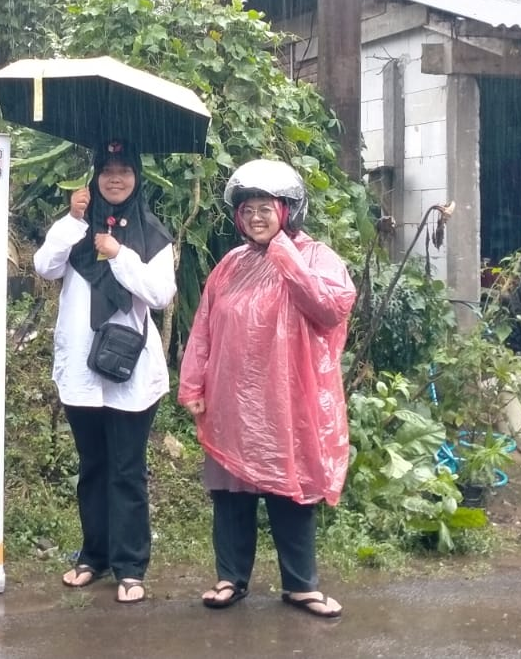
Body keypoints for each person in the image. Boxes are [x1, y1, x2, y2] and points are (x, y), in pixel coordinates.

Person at [178, 159, 356, 619]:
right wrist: (193, 383)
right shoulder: (230, 265)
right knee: (230, 492)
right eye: (248, 210)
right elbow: (204, 329)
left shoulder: (317, 257)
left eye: (265, 208)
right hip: (232, 401)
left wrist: (285, 255)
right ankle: (230, 578)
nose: (256, 217)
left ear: (287, 210)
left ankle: (301, 585)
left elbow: (330, 309)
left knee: (290, 491)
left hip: (288, 400)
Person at [33, 139, 176, 605]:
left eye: (124, 170)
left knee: (127, 469)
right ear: (94, 177)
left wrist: (119, 254)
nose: (115, 178)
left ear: (137, 177)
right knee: (93, 467)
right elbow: (44, 267)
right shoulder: (75, 227)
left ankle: (131, 566)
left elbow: (159, 294)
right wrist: (73, 220)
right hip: (81, 367)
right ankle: (93, 556)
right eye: (107, 170)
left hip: (130, 370)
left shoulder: (152, 232)